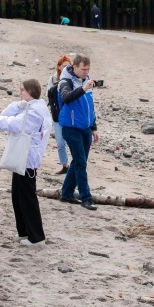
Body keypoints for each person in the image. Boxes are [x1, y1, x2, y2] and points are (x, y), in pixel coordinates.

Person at [0, 79, 51, 246]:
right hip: (23, 156)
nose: (20, 93)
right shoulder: (32, 106)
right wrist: (18, 104)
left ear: (30, 91)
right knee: (17, 195)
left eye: (22, 90)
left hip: (28, 158)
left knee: (27, 196)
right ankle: (24, 232)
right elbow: (8, 113)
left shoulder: (35, 111)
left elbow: (13, 124)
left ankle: (36, 237)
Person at [57, 54, 100, 211]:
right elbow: (66, 97)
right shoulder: (65, 81)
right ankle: (86, 197)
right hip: (71, 128)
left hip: (85, 128)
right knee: (80, 163)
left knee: (78, 162)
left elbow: (90, 107)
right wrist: (83, 88)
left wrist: (94, 127)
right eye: (83, 69)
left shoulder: (86, 80)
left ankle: (67, 193)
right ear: (74, 67)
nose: (86, 72)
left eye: (88, 69)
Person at [46, 55, 72, 175]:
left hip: (70, 115)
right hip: (57, 115)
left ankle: (75, 164)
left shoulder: (73, 79)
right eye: (64, 66)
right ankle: (65, 165)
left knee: (71, 141)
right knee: (60, 143)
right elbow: (48, 96)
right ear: (59, 67)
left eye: (68, 66)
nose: (66, 68)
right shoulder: (52, 79)